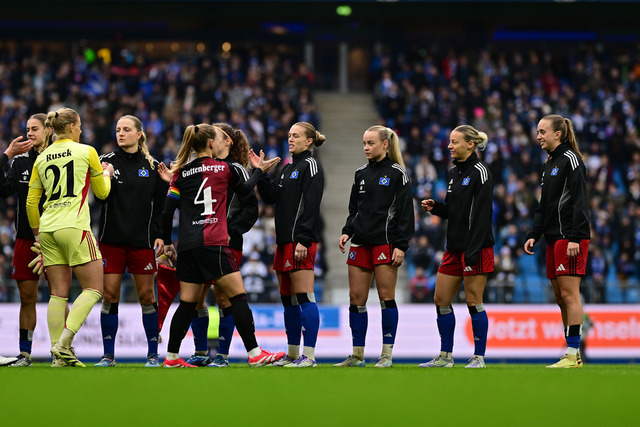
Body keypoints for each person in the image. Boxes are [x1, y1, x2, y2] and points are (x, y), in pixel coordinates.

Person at [160, 123, 284, 367]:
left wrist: (166, 243)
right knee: (238, 297)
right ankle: (254, 354)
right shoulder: (225, 168)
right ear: (210, 143)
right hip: (214, 244)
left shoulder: (180, 173)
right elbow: (246, 190)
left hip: (187, 247)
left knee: (187, 303)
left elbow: (167, 213)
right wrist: (258, 171)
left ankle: (172, 357)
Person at [26, 107, 113, 367]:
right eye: (80, 126)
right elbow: (103, 193)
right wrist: (107, 174)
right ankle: (64, 344)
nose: (82, 130)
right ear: (72, 126)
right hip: (74, 226)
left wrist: (38, 235)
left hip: (48, 229)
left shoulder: (41, 158)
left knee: (58, 293)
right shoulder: (86, 151)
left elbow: (31, 203)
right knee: (94, 288)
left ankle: (57, 357)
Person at [336, 125, 414, 368]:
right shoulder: (360, 173)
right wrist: (347, 231)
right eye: (364, 143)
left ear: (385, 144)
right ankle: (357, 355)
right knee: (356, 298)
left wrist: (401, 245)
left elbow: (406, 213)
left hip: (385, 242)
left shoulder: (397, 173)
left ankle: (386, 355)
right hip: (360, 242)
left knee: (386, 297)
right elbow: (354, 209)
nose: (366, 148)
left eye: (370, 143)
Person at [94, 115, 168, 368]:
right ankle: (108, 356)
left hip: (142, 242)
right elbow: (99, 199)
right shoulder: (105, 162)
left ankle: (152, 355)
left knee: (147, 296)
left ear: (139, 134)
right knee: (109, 295)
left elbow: (162, 204)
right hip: (111, 241)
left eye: (126, 129)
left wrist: (161, 234)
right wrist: (105, 176)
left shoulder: (153, 166)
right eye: (118, 129)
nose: (121, 133)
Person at [418, 125, 494, 369]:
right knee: (440, 298)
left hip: (476, 247)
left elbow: (482, 216)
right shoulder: (453, 173)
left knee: (474, 300)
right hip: (453, 248)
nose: (449, 145)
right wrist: (437, 208)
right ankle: (445, 356)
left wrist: (473, 252)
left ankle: (479, 357)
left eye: (454, 141)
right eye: (450, 141)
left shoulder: (481, 172)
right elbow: (453, 211)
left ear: (470, 144)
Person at [253, 121, 325, 368]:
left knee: (305, 296)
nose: (290, 139)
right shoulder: (286, 168)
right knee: (288, 300)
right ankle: (293, 354)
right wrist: (262, 173)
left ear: (309, 141)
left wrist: (304, 238)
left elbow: (312, 204)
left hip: (300, 242)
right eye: (289, 135)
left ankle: (310, 356)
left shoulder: (311, 165)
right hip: (284, 242)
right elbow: (270, 197)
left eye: (296, 136)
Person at [524, 114, 590, 368]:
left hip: (569, 237)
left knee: (570, 295)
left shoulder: (571, 159)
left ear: (558, 134)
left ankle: (573, 354)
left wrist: (576, 237)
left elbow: (580, 200)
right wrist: (534, 234)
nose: (538, 136)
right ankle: (572, 353)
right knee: (560, 297)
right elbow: (545, 206)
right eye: (537, 132)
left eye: (542, 131)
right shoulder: (549, 163)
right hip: (553, 239)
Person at [0, 114, 51, 367]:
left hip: (54, 238)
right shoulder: (20, 162)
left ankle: (62, 350)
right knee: (27, 298)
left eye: (35, 129)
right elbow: (3, 191)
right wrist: (6, 155)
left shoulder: (60, 159)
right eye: (27, 129)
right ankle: (25, 354)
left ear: (48, 130)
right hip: (25, 238)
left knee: (59, 296)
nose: (29, 133)